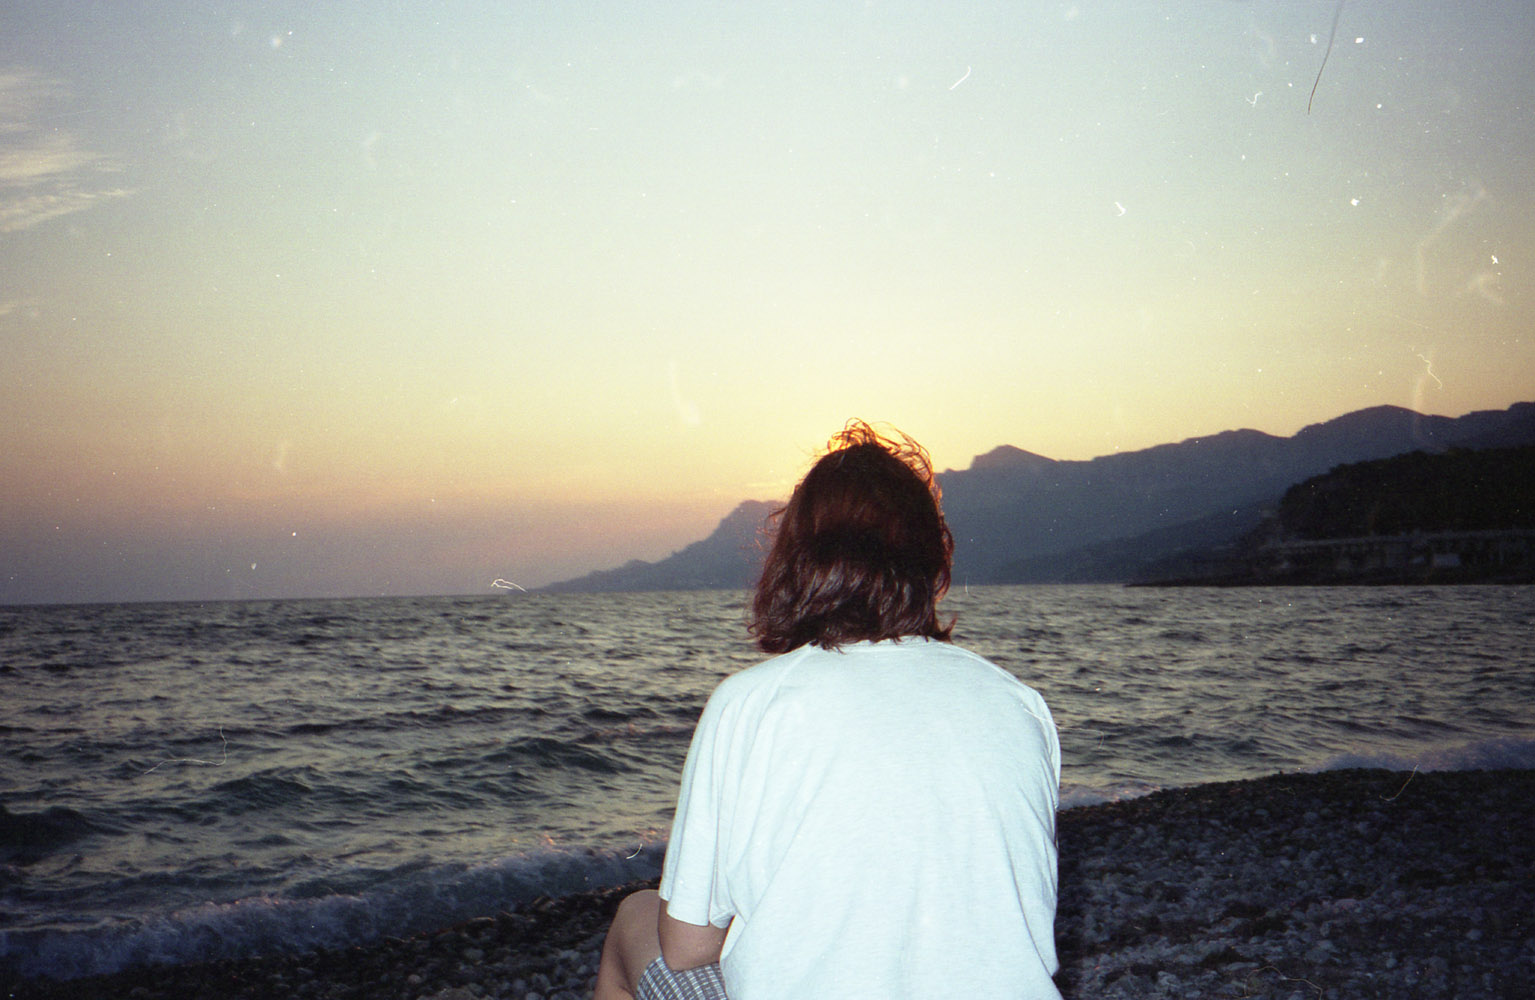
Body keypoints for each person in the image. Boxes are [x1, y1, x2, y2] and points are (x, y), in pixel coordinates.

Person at [593, 421, 1062, 1000]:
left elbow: (687, 948)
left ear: (795, 559)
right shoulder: (1019, 704)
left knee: (636, 917)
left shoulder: (751, 702)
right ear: (932, 559)